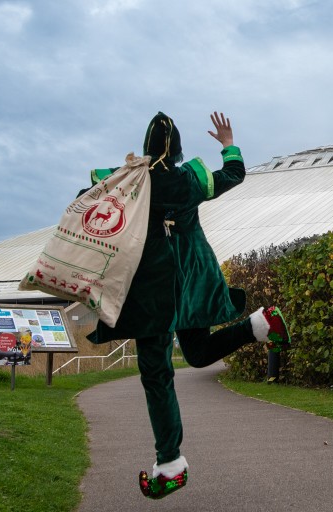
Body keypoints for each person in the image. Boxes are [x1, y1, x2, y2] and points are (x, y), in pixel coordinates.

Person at [85, 111, 291, 500]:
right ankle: (259, 324)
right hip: (190, 285)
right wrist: (229, 145)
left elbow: (86, 201)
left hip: (149, 296)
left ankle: (171, 465)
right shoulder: (188, 181)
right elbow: (234, 175)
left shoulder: (128, 181)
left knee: (157, 376)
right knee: (195, 354)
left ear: (146, 148)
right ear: (178, 151)